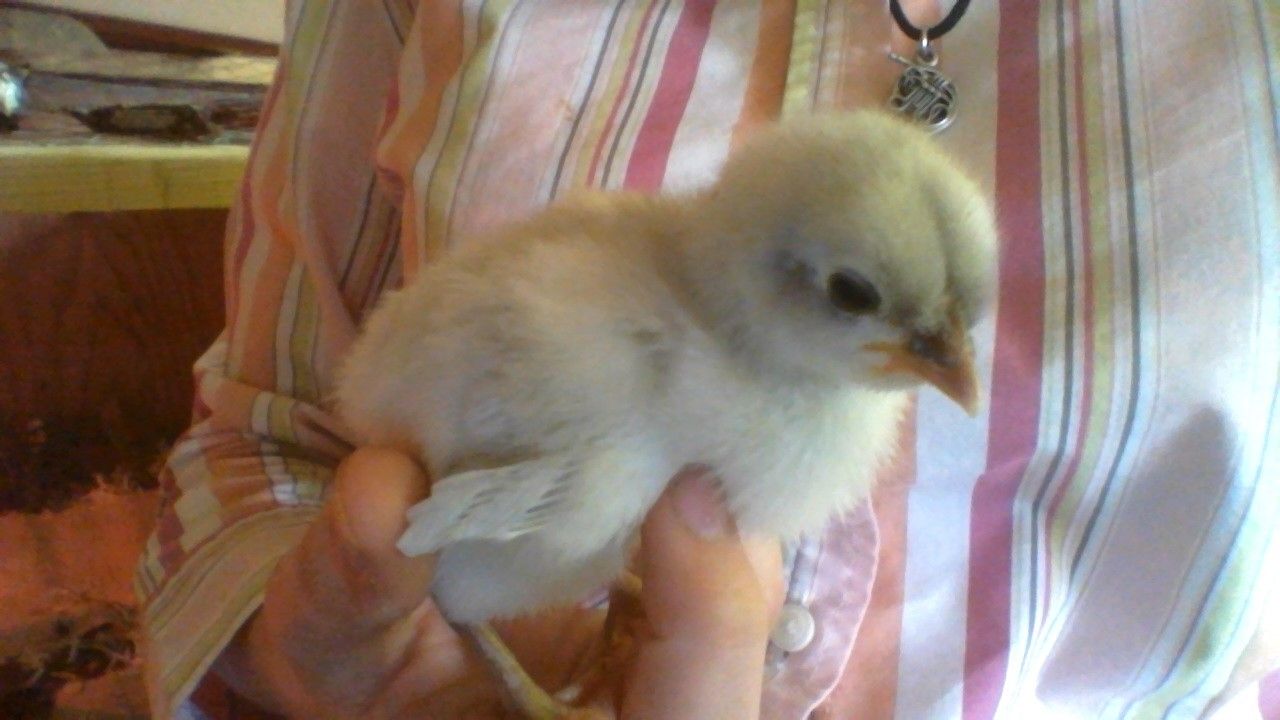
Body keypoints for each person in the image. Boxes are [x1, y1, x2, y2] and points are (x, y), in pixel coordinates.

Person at [137, 1, 1280, 718]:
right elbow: (270, 434)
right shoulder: (602, 367)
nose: (951, 362)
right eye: (860, 299)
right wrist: (328, 647)